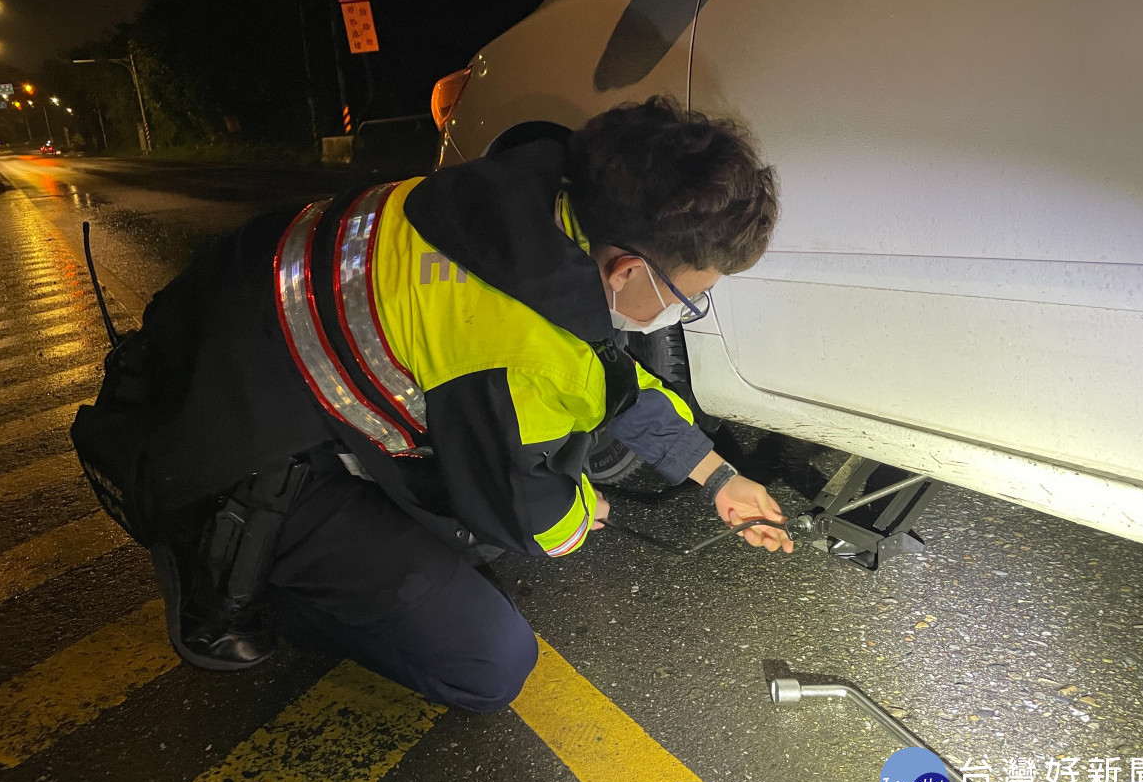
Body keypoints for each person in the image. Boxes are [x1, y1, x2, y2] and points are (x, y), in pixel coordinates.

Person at [71, 96, 788, 714]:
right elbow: (525, 513)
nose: (679, 311)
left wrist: (718, 476)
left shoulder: (519, 209)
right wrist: (580, 511)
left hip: (226, 357)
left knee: (456, 542)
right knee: (491, 663)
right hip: (236, 458)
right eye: (688, 295)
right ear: (628, 268)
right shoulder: (508, 338)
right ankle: (229, 576)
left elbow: (607, 382)